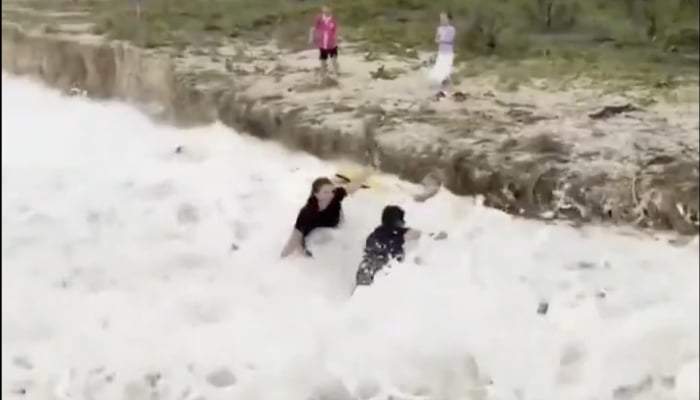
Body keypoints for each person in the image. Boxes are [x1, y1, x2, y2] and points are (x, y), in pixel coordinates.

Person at [281, 170, 372, 258]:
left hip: (334, 230)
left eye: (332, 191)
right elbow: (294, 240)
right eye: (325, 192)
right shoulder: (307, 213)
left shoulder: (335, 197)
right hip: (313, 240)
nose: (330, 195)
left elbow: (352, 187)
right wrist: (280, 260)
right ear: (316, 194)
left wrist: (368, 172)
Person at [354, 206, 421, 287]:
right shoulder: (380, 237)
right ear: (394, 221)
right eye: (401, 219)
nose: (404, 222)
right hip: (373, 274)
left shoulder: (397, 233)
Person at [428, 11, 456, 99]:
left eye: (444, 18)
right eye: (441, 18)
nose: (442, 20)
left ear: (448, 19)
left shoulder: (452, 29)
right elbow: (436, 38)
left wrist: (441, 40)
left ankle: (448, 88)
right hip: (441, 51)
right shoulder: (439, 28)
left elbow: (450, 40)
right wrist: (438, 40)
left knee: (446, 70)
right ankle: (441, 88)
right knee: (439, 70)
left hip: (448, 52)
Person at [309, 6, 340, 79]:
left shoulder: (333, 20)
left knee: (334, 59)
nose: (326, 11)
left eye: (327, 9)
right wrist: (311, 38)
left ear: (330, 10)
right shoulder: (319, 19)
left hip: (332, 43)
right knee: (323, 60)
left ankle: (336, 73)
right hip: (322, 43)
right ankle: (323, 74)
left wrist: (337, 39)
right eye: (324, 10)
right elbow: (313, 29)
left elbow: (336, 31)